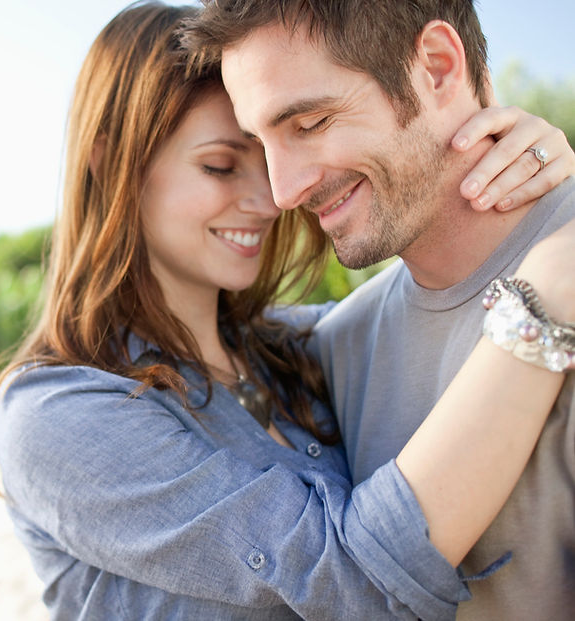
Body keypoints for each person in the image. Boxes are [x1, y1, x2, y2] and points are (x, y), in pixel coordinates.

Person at [0, 3, 575, 619]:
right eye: (220, 165)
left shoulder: (295, 351)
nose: (274, 197)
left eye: (293, 133)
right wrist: (542, 298)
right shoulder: (60, 413)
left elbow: (434, 283)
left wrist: (545, 184)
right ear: (112, 165)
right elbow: (345, 579)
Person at [183, 0, 575, 618]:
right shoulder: (337, 345)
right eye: (261, 142)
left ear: (440, 69)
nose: (283, 192)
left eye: (309, 123)